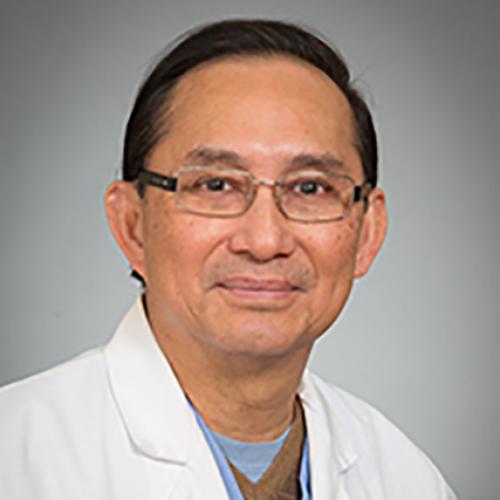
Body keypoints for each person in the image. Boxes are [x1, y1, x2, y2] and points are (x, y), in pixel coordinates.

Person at [0, 19, 456, 500]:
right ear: (132, 225)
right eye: (215, 184)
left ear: (367, 232)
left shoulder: (408, 480)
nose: (265, 240)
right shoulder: (17, 459)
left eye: (310, 188)